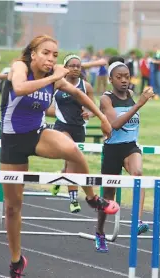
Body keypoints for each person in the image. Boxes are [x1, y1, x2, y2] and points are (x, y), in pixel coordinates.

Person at [0, 35, 119, 278]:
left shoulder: (55, 77)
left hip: (37, 133)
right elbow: (20, 88)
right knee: (13, 207)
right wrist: (55, 76)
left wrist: (102, 117)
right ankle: (16, 261)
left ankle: (92, 197)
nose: (51, 58)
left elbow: (80, 95)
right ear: (33, 54)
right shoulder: (20, 67)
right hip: (12, 141)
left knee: (72, 150)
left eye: (55, 55)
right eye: (46, 53)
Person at [96, 56, 155, 252]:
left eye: (127, 76)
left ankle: (137, 221)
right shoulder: (106, 98)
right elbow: (115, 124)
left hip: (130, 146)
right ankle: (100, 231)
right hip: (112, 149)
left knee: (138, 175)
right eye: (119, 77)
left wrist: (141, 97)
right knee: (108, 197)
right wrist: (138, 105)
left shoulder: (130, 93)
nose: (124, 80)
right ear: (111, 79)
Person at [49, 53, 96, 213]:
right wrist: (54, 112)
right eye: (72, 65)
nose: (75, 68)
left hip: (79, 128)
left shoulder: (86, 86)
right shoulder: (56, 84)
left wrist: (89, 113)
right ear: (65, 67)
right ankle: (73, 199)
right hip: (61, 126)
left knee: (72, 164)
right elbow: (46, 105)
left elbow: (93, 108)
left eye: (78, 66)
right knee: (72, 157)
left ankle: (61, 176)